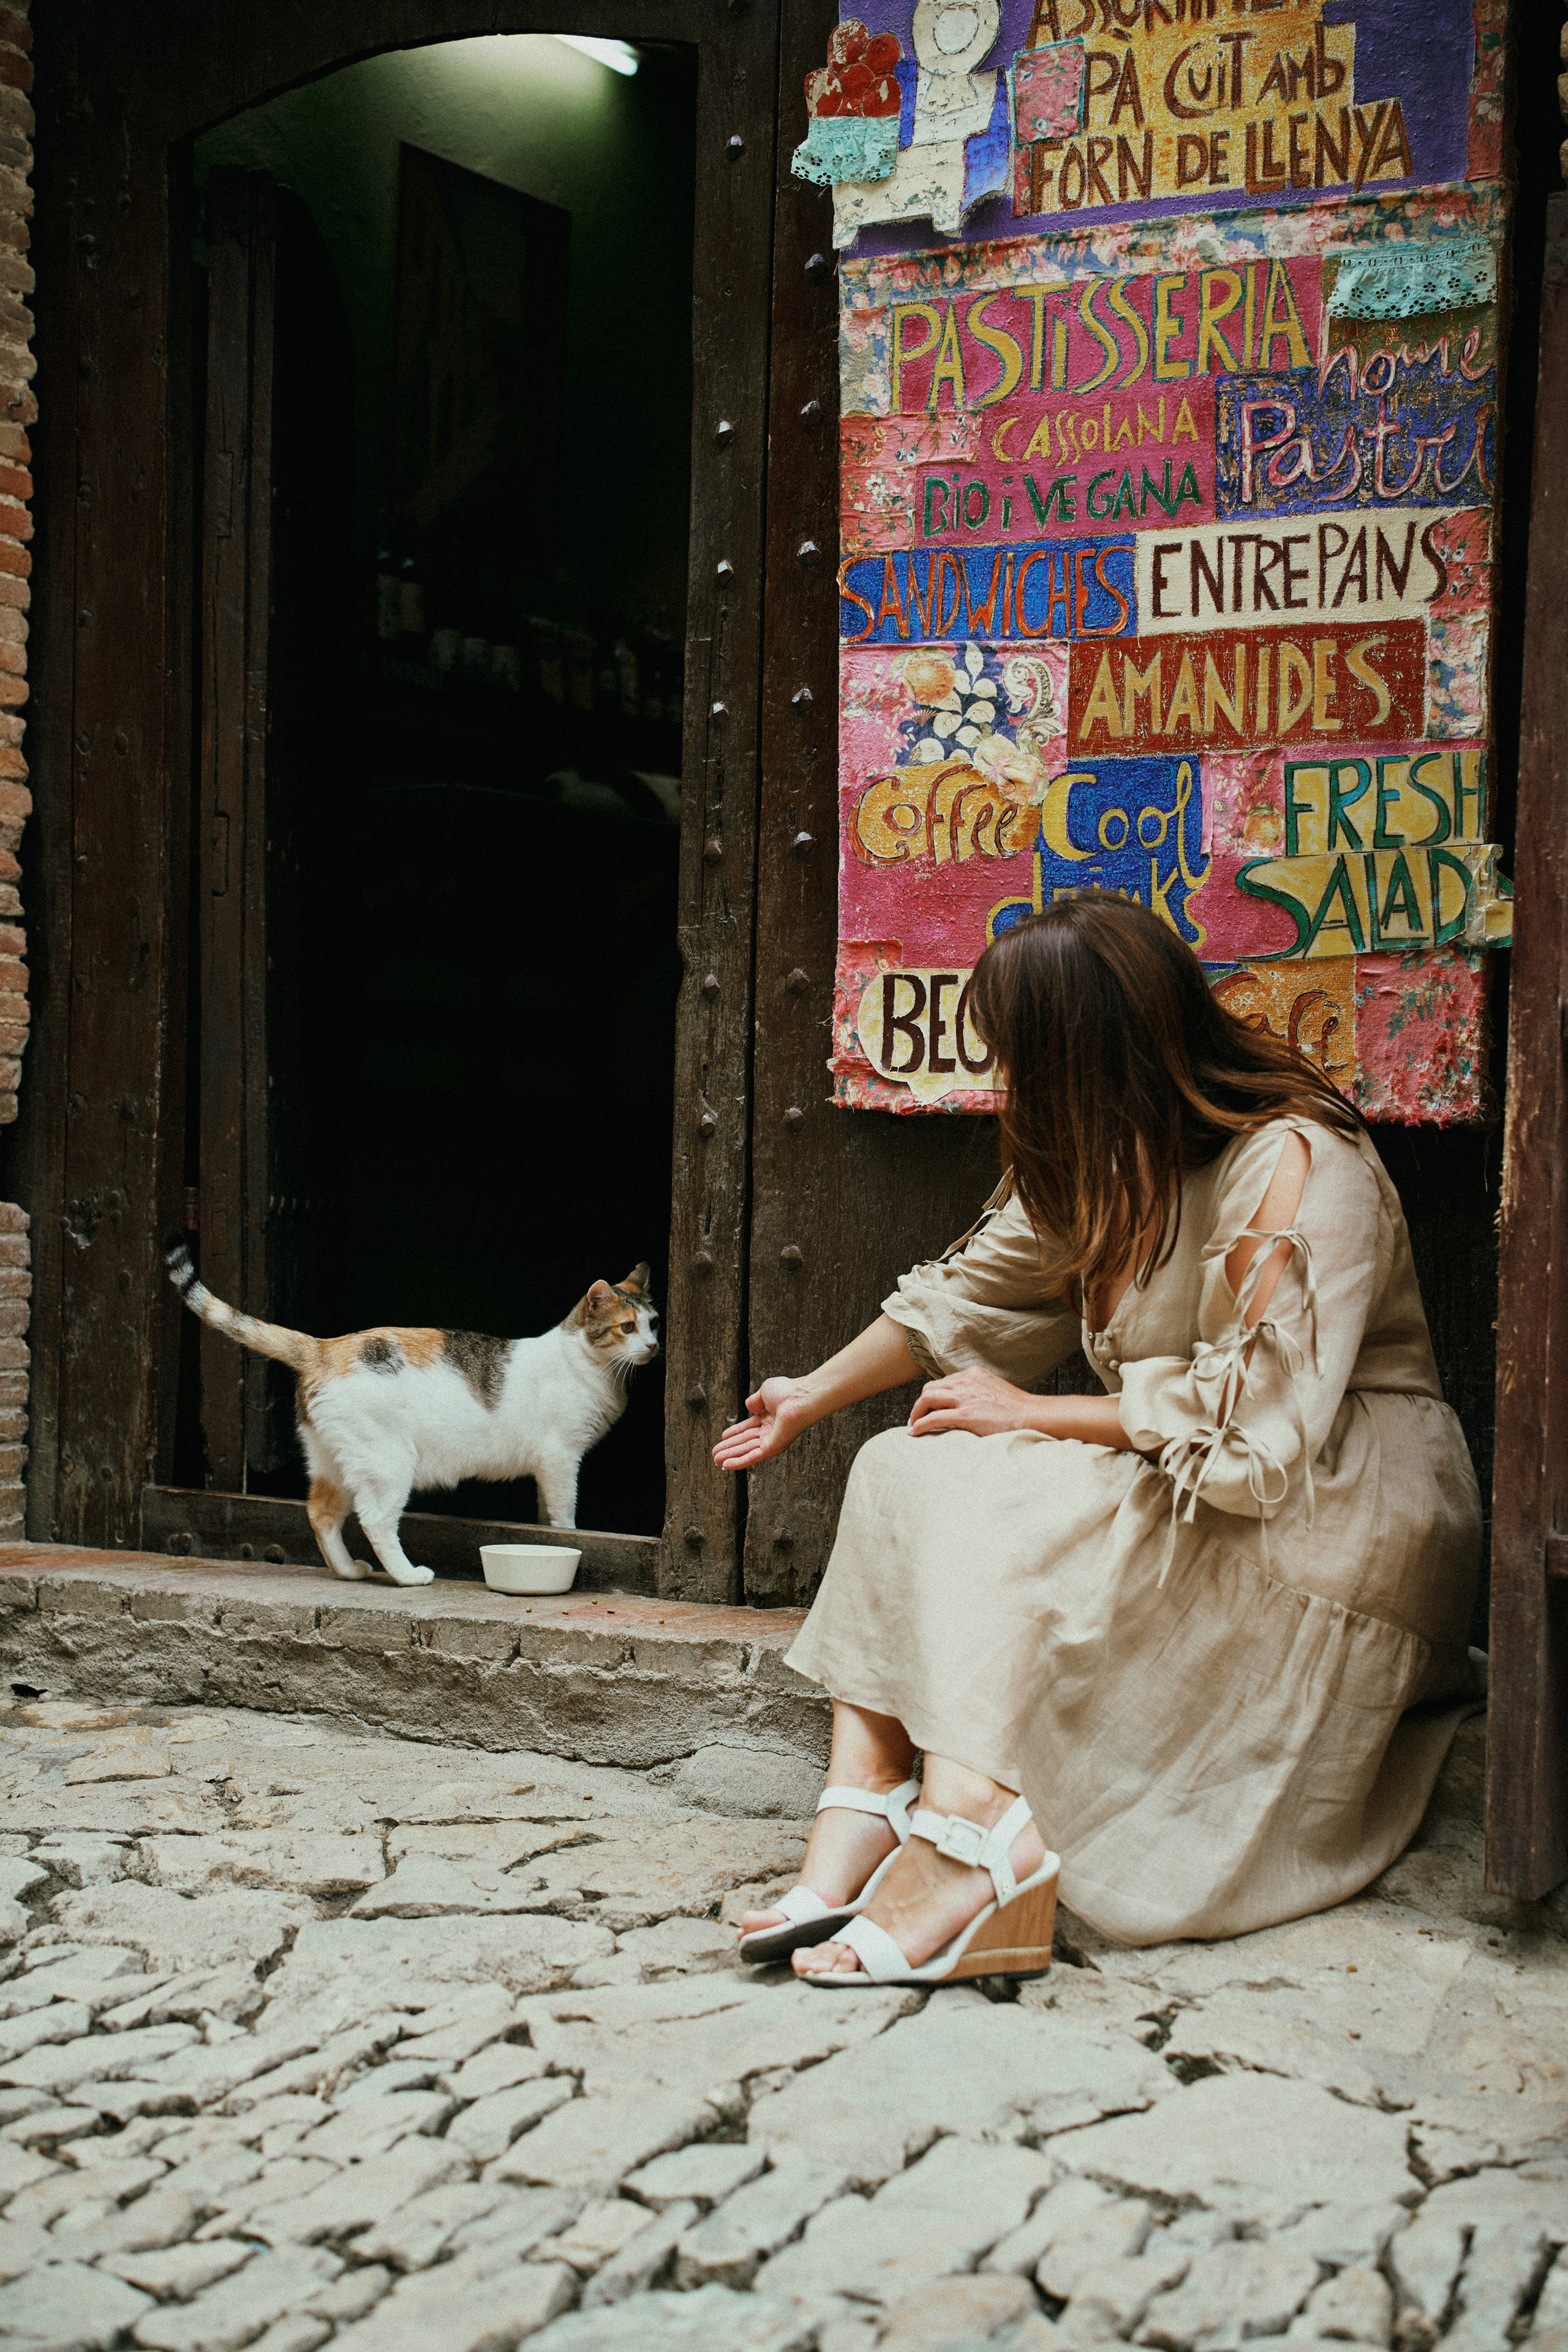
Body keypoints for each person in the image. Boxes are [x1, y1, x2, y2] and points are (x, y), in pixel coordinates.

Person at [713, 896, 1482, 1985]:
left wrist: (1028, 1414)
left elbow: (1253, 1433)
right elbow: (964, 1299)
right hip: (1188, 1470)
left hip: (1330, 1510)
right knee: (900, 1462)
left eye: (1025, 1055)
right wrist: (809, 1396)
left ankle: (970, 1835)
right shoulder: (1101, 1156)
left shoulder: (1297, 1159)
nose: (1008, 1084)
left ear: (1099, 1054)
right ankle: (876, 1798)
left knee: (986, 1472)